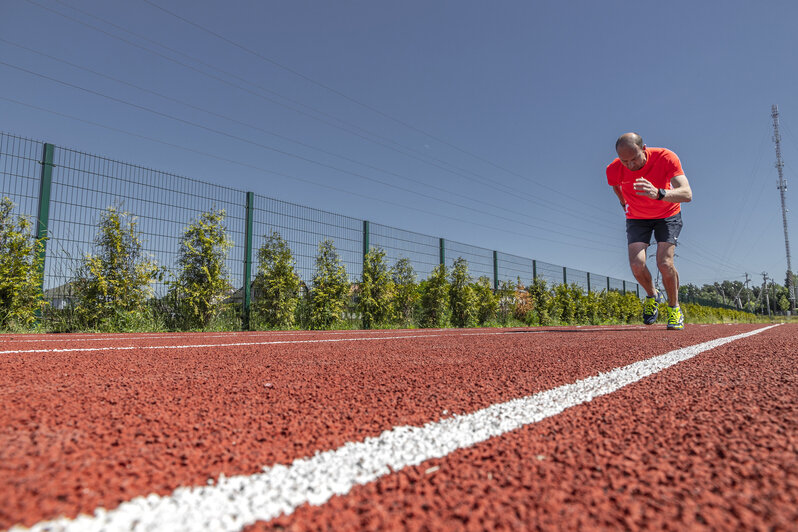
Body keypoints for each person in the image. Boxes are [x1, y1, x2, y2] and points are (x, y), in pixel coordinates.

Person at [606, 132, 693, 329]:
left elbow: (687, 194)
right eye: (624, 160)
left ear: (644, 149)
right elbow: (615, 186)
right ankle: (652, 296)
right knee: (637, 265)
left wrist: (659, 193)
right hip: (637, 218)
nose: (630, 165)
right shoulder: (614, 169)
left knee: (664, 262)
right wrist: (624, 203)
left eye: (634, 158)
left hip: (667, 214)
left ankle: (674, 309)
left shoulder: (665, 157)